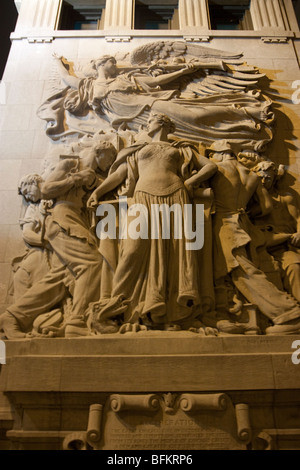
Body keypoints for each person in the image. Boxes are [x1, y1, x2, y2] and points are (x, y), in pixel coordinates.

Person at [87, 113, 218, 334]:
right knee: (132, 249)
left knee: (173, 252)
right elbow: (121, 174)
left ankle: (163, 312)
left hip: (176, 196)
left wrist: (190, 182)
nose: (147, 123)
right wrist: (98, 192)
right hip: (143, 197)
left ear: (164, 123)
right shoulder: (138, 149)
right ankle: (119, 308)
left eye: (151, 120)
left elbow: (210, 167)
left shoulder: (181, 149)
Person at [0, 142, 117, 339]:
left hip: (76, 218)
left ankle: (12, 316)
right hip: (62, 217)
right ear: (100, 151)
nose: (110, 163)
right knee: (91, 264)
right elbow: (46, 189)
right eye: (110, 157)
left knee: (64, 276)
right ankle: (76, 321)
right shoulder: (70, 164)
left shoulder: (95, 175)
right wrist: (76, 179)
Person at [37, 54, 273, 150]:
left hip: (148, 106)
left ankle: (244, 111)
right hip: (135, 122)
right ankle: (241, 127)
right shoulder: (89, 86)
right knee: (193, 123)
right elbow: (67, 79)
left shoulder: (126, 79)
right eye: (112, 63)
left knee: (195, 116)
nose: (116, 65)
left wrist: (183, 71)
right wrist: (58, 61)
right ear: (102, 64)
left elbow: (158, 80)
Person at [207, 140, 300, 335]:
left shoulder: (217, 168)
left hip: (226, 224)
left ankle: (289, 313)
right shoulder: (251, 174)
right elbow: (266, 207)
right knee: (238, 271)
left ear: (222, 153)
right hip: (243, 224)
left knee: (243, 271)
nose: (209, 157)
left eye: (211, 154)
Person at [253, 160, 300, 303]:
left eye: (267, 178)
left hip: (284, 247)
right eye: (260, 177)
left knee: (293, 266)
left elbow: (298, 218)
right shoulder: (250, 202)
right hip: (261, 247)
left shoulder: (285, 198)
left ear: (274, 178)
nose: (263, 181)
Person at [12, 174, 52, 300]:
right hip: (43, 247)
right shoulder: (33, 207)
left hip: (64, 246)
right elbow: (27, 233)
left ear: (34, 182)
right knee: (21, 276)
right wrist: (46, 242)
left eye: (27, 192)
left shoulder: (58, 196)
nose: (28, 197)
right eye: (25, 196)